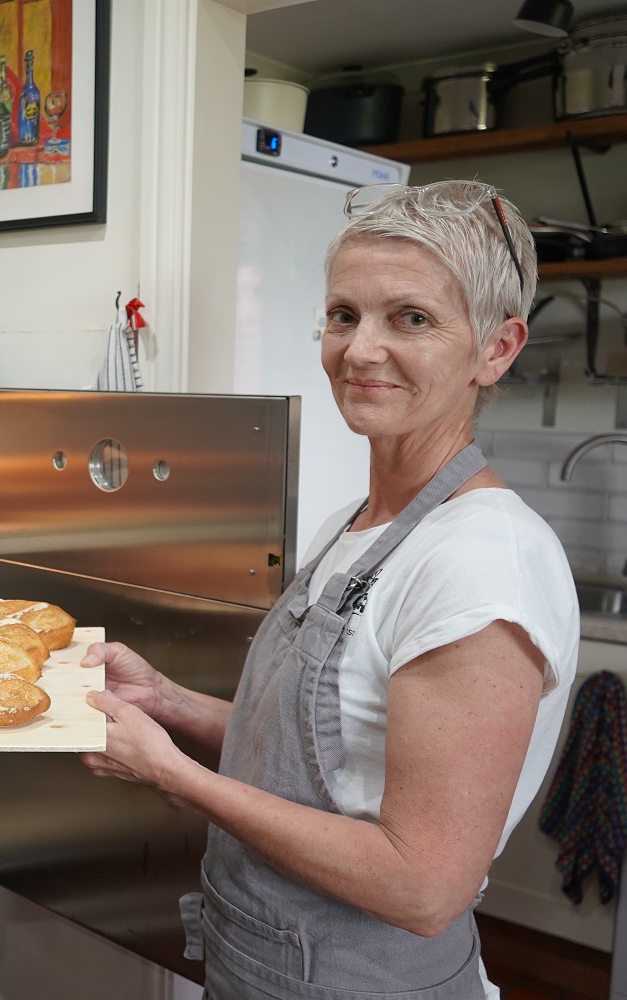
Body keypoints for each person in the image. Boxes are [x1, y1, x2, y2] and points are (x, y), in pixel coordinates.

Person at [79, 180, 579, 1000]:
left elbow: (424, 887)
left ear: (498, 349)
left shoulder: (483, 560)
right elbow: (340, 761)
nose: (360, 350)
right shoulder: (359, 525)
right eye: (345, 314)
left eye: (410, 319)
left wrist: (173, 775)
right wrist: (169, 701)